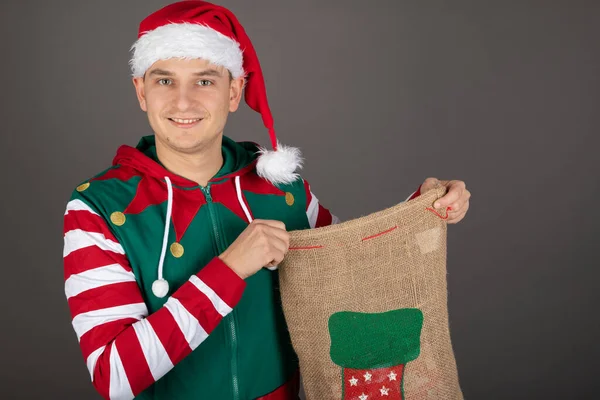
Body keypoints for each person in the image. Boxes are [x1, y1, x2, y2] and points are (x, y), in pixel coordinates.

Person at [62, 1, 471, 399]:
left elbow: (349, 267)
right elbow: (114, 375)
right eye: (164, 80)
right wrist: (229, 269)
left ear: (234, 91)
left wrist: (423, 208)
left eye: (205, 80)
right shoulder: (97, 209)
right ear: (141, 91)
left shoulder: (278, 183)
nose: (182, 102)